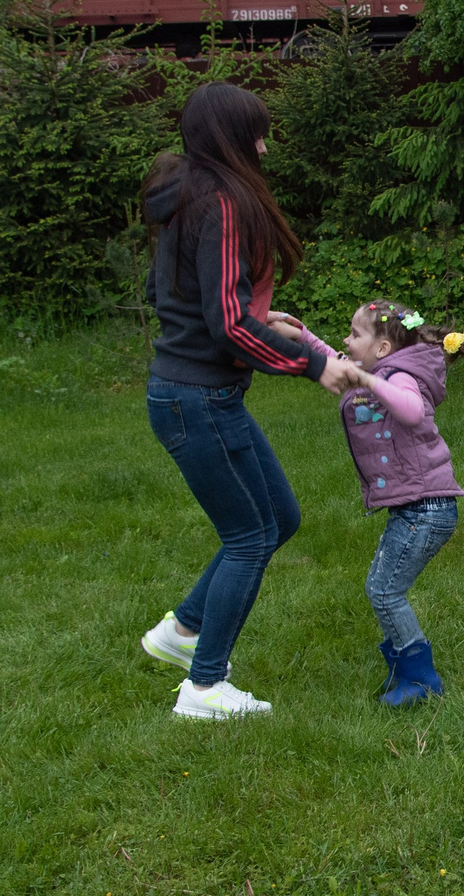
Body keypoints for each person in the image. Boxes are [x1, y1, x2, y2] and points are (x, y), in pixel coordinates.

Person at [136, 83, 360, 720]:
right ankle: (204, 688)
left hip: (194, 394)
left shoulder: (188, 194)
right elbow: (227, 324)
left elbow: (181, 297)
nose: (266, 145)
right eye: (258, 133)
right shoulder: (224, 200)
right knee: (247, 537)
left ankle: (181, 632)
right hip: (197, 398)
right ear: (232, 138)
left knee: (279, 519)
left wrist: (264, 315)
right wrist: (316, 363)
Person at [326, 299, 464, 703]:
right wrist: (296, 334)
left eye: (355, 335)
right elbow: (332, 360)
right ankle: (403, 670)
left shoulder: (399, 376)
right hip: (416, 508)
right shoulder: (387, 368)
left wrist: (370, 382)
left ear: (383, 349)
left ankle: (421, 680)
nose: (346, 340)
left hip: (426, 510)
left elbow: (409, 411)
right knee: (380, 587)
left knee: (385, 591)